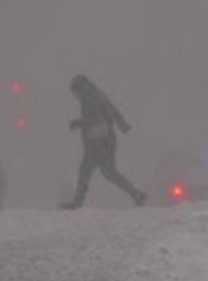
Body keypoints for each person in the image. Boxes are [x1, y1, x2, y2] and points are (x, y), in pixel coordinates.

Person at [60, 74, 146, 209]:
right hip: (104, 141)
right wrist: (122, 125)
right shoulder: (96, 95)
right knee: (108, 173)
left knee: (87, 172)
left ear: (80, 88)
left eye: (75, 92)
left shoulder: (90, 98)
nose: (75, 97)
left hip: (99, 143)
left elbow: (96, 119)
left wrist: (78, 123)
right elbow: (111, 110)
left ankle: (77, 203)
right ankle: (136, 195)